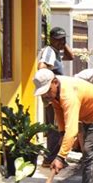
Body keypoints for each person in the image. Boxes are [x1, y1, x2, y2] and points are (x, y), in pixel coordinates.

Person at [37, 27, 75, 167]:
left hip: (56, 94)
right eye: (58, 40)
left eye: (63, 39)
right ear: (51, 39)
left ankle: (53, 157)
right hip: (52, 94)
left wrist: (63, 44)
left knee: (57, 125)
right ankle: (49, 159)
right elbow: (41, 67)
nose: (61, 42)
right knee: (54, 127)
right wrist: (50, 82)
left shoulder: (56, 52)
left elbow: (71, 56)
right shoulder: (49, 51)